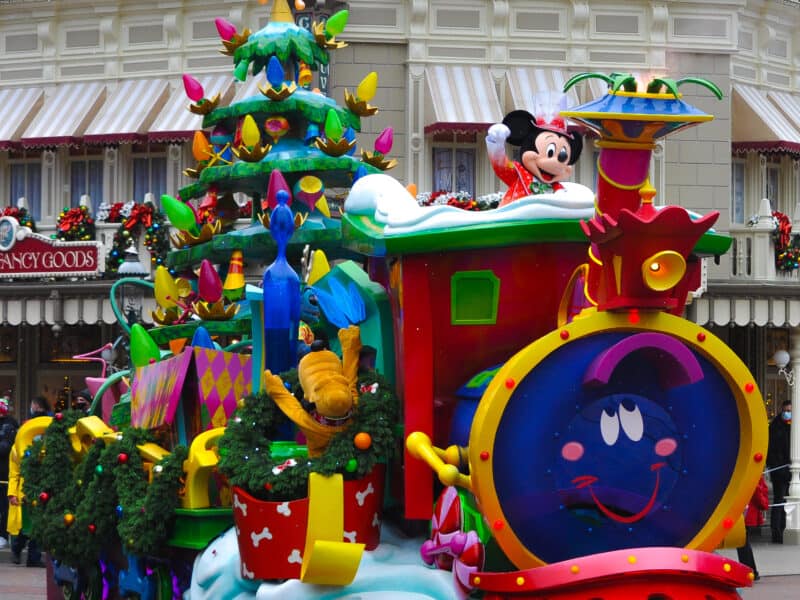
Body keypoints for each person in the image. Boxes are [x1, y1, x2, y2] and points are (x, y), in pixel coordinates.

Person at [485, 94, 583, 207]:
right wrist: (497, 143)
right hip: (515, 221)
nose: (554, 161)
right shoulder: (520, 174)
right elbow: (501, 167)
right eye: (550, 153)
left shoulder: (558, 188)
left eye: (562, 156)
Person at [8, 444, 43, 567]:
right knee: (24, 527)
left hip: (40, 492)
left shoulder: (45, 445)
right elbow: (14, 474)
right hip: (23, 494)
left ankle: (33, 558)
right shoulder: (16, 448)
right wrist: (12, 494)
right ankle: (16, 550)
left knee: (38, 525)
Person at [767, 400, 792, 543]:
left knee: (787, 502)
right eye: (786, 410)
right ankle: (776, 532)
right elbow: (772, 451)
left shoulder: (792, 427)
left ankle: (784, 528)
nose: (788, 413)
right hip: (779, 471)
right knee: (779, 500)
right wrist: (777, 467)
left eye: (790, 411)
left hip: (790, 471)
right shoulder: (775, 427)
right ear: (782, 410)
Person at [737, 474, 769, 580]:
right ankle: (752, 570)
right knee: (743, 543)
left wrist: (763, 503)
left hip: (746, 512)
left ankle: (750, 570)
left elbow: (757, 491)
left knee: (743, 543)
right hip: (748, 511)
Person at [0, 396, 18, 549]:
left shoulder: (8, 426)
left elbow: (5, 448)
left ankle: (3, 535)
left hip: (4, 474)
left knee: (4, 507)